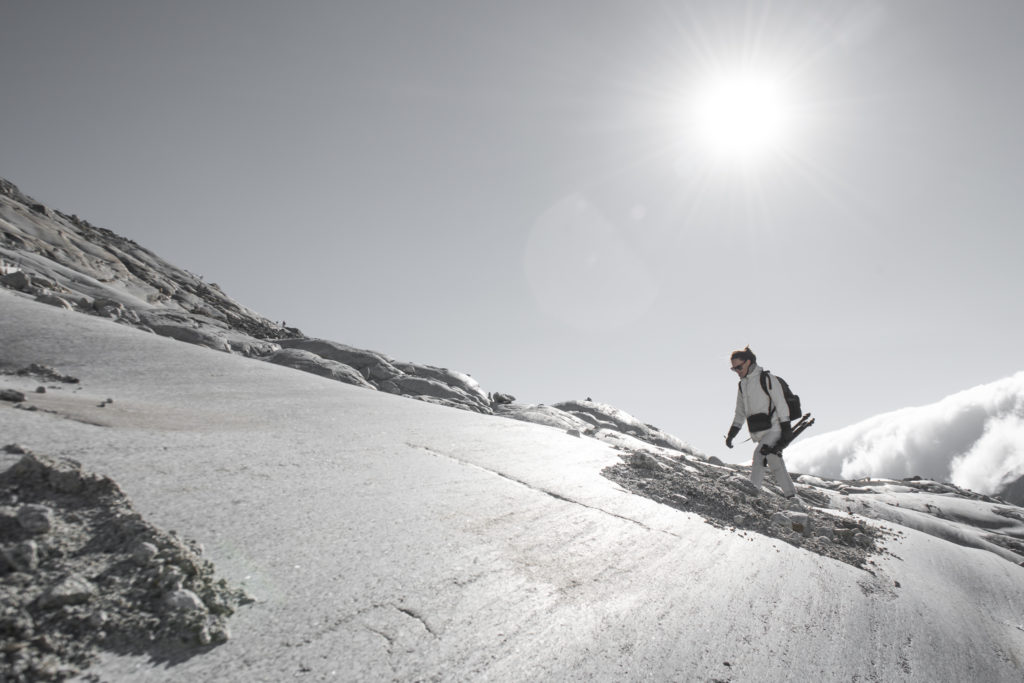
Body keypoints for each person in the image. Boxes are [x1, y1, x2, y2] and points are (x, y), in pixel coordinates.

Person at [725, 347, 797, 498]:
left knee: (759, 456)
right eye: (734, 369)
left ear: (749, 362)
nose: (737, 371)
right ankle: (791, 496)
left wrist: (786, 428)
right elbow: (740, 413)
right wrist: (732, 434)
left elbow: (781, 403)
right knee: (774, 460)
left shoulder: (766, 378)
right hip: (760, 432)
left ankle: (752, 492)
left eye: (739, 367)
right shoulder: (742, 386)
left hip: (775, 428)